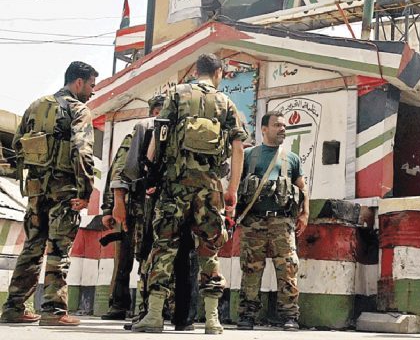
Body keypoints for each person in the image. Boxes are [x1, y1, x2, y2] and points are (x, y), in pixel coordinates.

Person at [132, 53, 247, 334]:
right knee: (210, 249)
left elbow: (160, 134)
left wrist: (151, 173)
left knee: (164, 247)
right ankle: (212, 320)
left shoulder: (177, 94)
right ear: (218, 73)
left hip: (175, 185)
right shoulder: (226, 103)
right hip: (209, 189)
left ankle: (154, 316)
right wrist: (232, 189)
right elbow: (238, 148)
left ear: (196, 71)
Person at [1, 61, 98, 326]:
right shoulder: (79, 110)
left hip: (36, 191)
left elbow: (17, 146)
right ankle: (53, 311)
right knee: (58, 248)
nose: (92, 92)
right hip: (64, 191)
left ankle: (13, 308)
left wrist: (34, 175)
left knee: (32, 247)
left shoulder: (36, 106)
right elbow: (82, 151)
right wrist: (85, 192)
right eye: (91, 86)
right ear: (78, 82)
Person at [100, 95, 199, 331]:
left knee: (169, 257)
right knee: (145, 256)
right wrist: (112, 206)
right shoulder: (144, 129)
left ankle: (166, 311)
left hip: (171, 206)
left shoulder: (184, 132)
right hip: (144, 207)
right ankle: (144, 310)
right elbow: (120, 172)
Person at [236, 111, 309, 331]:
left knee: (287, 269)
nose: (282, 129)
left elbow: (302, 188)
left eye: (284, 126)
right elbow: (235, 185)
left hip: (282, 222)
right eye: (277, 125)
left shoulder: (291, 158)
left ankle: (290, 316)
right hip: (253, 222)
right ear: (264, 129)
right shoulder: (249, 155)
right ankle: (247, 315)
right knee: (251, 269)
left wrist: (304, 214)